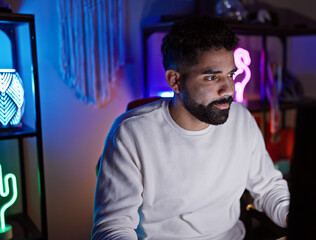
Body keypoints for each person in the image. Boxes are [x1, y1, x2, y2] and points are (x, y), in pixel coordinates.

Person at [92, 15, 290, 240]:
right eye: (212, 77)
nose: (228, 89)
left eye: (230, 75)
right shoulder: (130, 134)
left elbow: (269, 187)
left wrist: (293, 216)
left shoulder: (242, 120)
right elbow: (113, 228)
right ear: (175, 80)